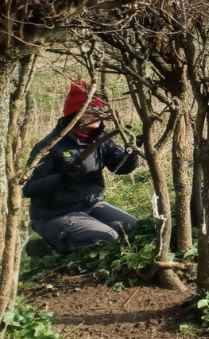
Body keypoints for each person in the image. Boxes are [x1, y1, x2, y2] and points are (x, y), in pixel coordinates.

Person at [23, 81, 140, 256]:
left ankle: (78, 237)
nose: (97, 114)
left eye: (99, 110)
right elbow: (29, 188)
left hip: (91, 205)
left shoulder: (101, 138)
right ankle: (48, 248)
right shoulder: (50, 146)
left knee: (135, 230)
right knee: (108, 238)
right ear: (75, 114)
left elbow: (119, 167)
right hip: (54, 215)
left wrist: (132, 153)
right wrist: (61, 178)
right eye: (91, 110)